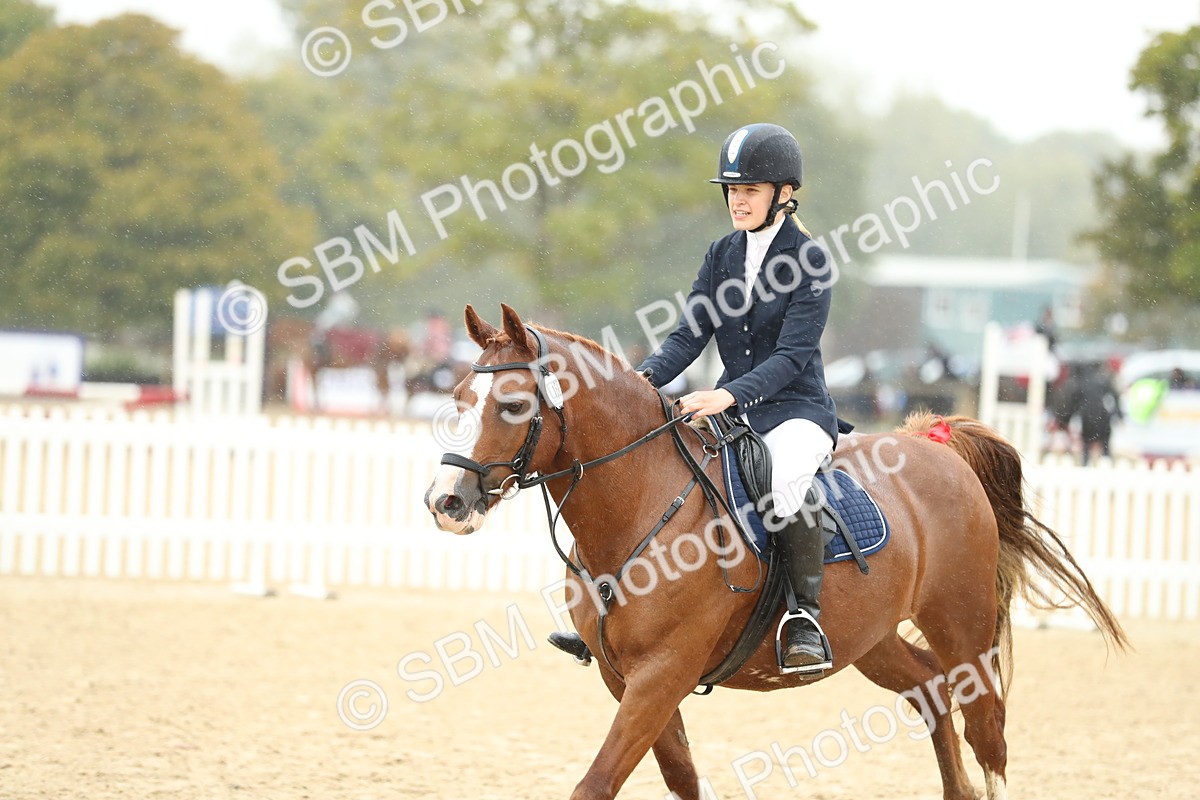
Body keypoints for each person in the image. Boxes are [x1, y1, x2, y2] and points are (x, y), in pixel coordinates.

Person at [551, 123, 842, 672]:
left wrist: (727, 395)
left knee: (785, 482)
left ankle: (804, 617)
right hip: (735, 410)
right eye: (732, 190)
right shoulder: (721, 255)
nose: (738, 200)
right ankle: (612, 616)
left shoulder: (811, 261)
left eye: (750, 190)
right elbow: (689, 335)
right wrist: (635, 388)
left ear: (783, 195)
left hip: (795, 410)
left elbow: (791, 357)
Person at [1068, 362, 1122, 465]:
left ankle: (1085, 465)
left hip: (1087, 418)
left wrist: (1066, 419)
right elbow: (1114, 396)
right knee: (1105, 446)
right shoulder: (1102, 381)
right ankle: (1107, 462)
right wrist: (1117, 414)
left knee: (1086, 447)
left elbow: (1073, 404)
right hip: (1102, 417)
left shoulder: (1080, 384)